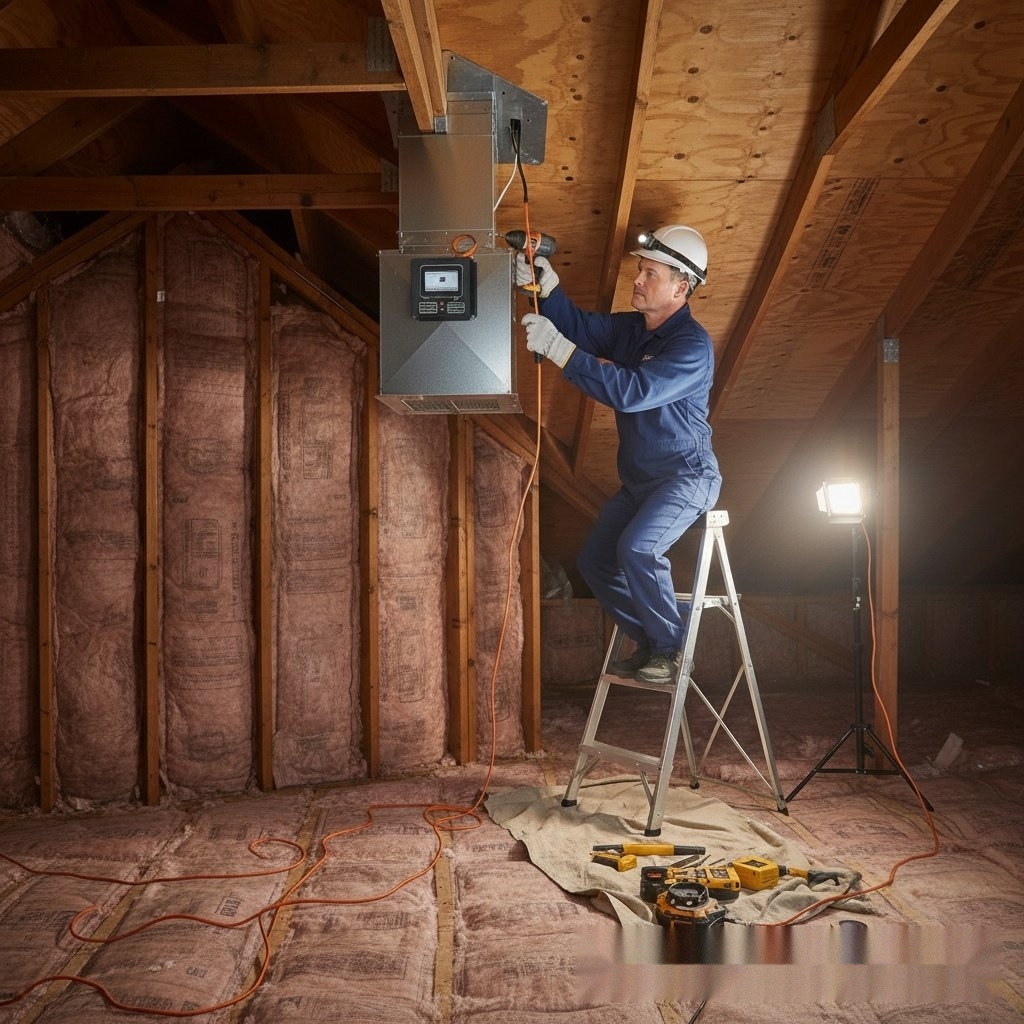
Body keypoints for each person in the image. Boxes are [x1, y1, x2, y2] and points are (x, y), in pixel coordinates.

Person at [515, 225, 722, 683]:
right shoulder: (632, 329)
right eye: (640, 270)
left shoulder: (692, 347)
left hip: (686, 477)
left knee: (638, 548)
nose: (638, 280)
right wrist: (546, 288)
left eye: (650, 274)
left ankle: (672, 650)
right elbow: (580, 328)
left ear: (681, 287)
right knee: (596, 562)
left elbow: (633, 392)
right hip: (640, 481)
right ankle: (653, 643)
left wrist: (561, 352)